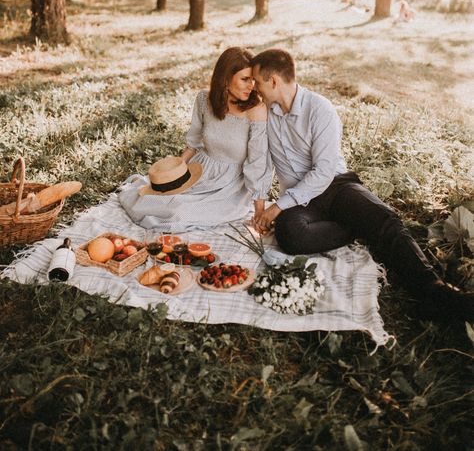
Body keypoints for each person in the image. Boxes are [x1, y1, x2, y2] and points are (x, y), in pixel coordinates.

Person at [250, 48, 474, 321]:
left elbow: (323, 172)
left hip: (335, 185)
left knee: (386, 220)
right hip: (301, 201)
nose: (254, 87)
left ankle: (435, 290)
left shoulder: (319, 109)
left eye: (257, 81)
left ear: (273, 80)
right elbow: (261, 163)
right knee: (290, 234)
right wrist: (263, 206)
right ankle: (359, 227)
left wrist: (276, 207)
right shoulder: (266, 114)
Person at [118, 47, 272, 231]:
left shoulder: (256, 110)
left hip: (230, 186)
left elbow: (258, 161)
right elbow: (194, 142)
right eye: (245, 79)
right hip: (200, 171)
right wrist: (173, 173)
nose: (251, 86)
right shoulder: (204, 100)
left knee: (179, 214)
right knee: (149, 200)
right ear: (225, 78)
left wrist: (259, 211)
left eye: (253, 80)